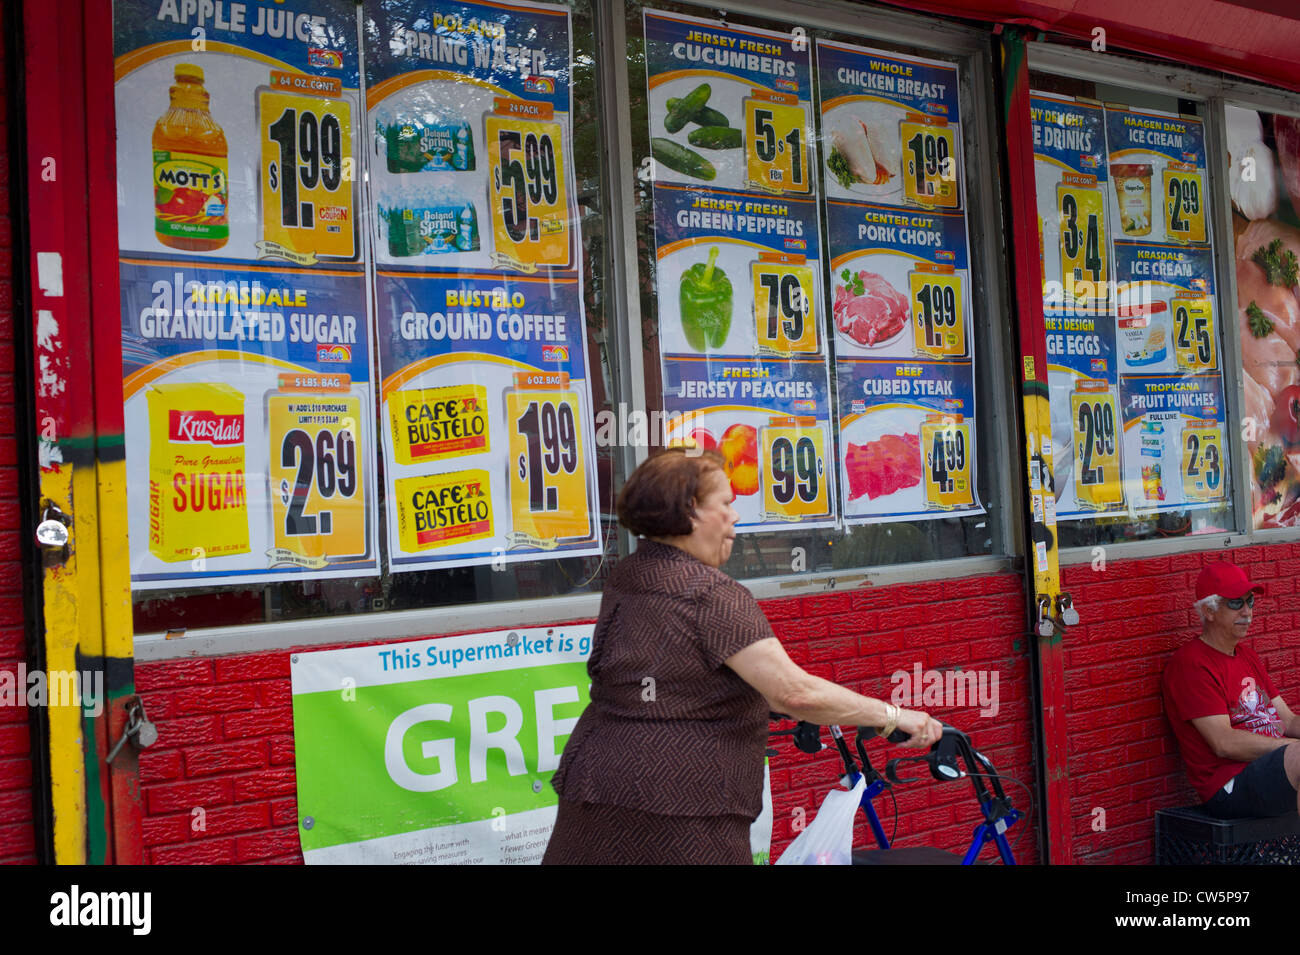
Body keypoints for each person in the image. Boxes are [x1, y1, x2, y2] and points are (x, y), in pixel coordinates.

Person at [542, 447, 942, 865]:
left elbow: (673, 671)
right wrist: (894, 716)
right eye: (727, 505)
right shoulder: (712, 594)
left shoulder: (629, 574)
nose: (735, 517)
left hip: (595, 781)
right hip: (680, 805)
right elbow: (794, 694)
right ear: (691, 511)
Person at [1162, 561, 1300, 819]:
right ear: (1209, 610)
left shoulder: (1246, 655)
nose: (1247, 612)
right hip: (1229, 785)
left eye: (1250, 602)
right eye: (1236, 603)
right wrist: (1289, 748)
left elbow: (1288, 719)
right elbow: (1223, 743)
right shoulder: (1191, 664)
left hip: (1270, 766)